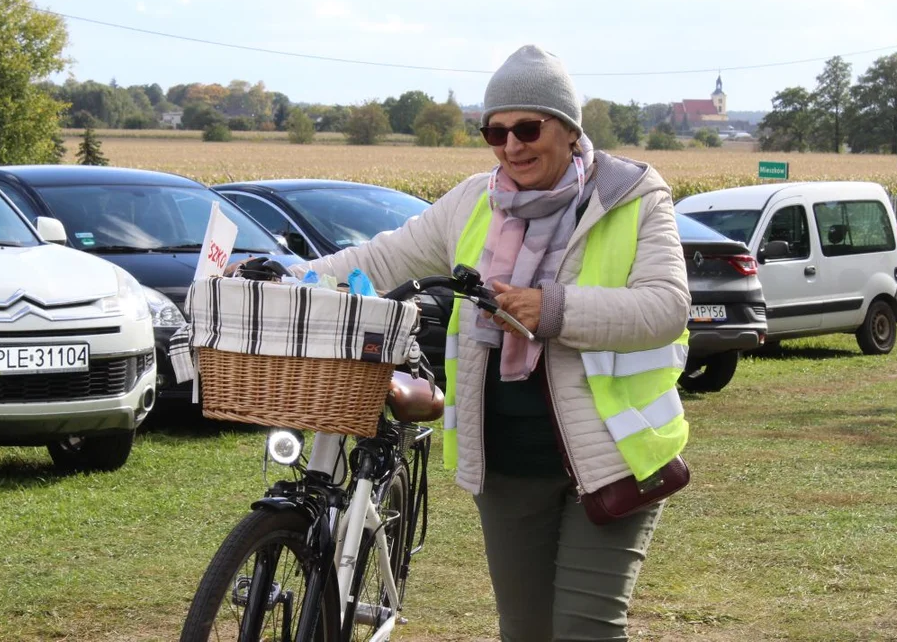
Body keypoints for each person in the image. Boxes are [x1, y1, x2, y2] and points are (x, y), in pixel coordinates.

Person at [291, 44, 691, 641]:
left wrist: (551, 308)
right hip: (507, 464)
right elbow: (379, 258)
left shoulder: (631, 198)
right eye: (495, 132)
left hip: (614, 457)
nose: (512, 146)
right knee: (524, 633)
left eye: (527, 128)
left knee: (586, 631)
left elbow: (666, 308)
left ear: (569, 129)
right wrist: (287, 276)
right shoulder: (473, 201)